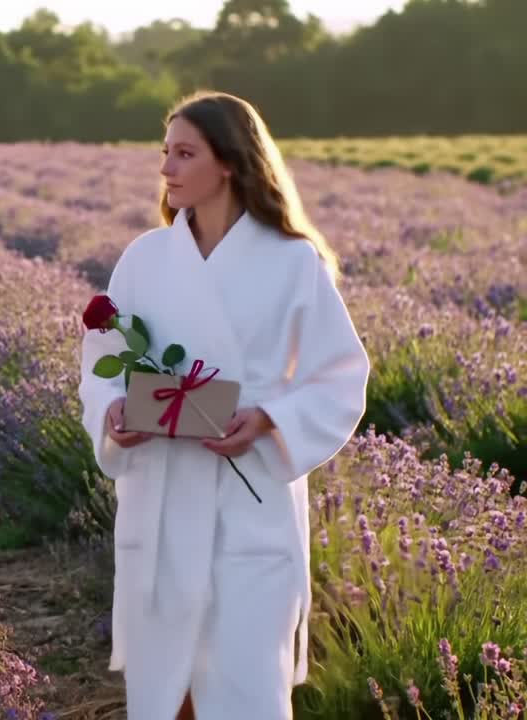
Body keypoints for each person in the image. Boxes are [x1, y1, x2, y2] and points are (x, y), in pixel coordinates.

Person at [77, 90, 370, 720]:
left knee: (245, 681)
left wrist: (267, 418)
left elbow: (340, 375)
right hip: (161, 490)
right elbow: (97, 365)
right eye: (166, 153)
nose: (167, 169)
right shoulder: (145, 259)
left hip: (249, 496)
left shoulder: (293, 261)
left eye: (185, 153)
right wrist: (112, 415)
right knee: (165, 687)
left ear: (231, 162)